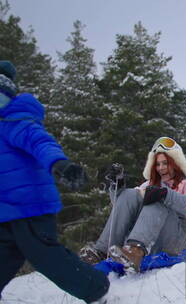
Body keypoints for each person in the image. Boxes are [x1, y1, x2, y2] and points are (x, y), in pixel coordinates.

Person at [0, 60, 109, 303]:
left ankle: (96, 287)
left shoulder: (15, 122)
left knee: (44, 255)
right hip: (5, 213)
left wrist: (61, 165)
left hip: (31, 207)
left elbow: (41, 144)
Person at [79, 136, 186, 272]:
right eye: (157, 164)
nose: (161, 168)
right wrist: (118, 185)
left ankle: (135, 251)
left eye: (165, 163)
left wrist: (166, 194)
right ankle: (102, 252)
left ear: (175, 163)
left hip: (177, 243)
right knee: (129, 194)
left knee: (157, 200)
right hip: (153, 243)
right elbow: (124, 207)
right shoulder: (149, 185)